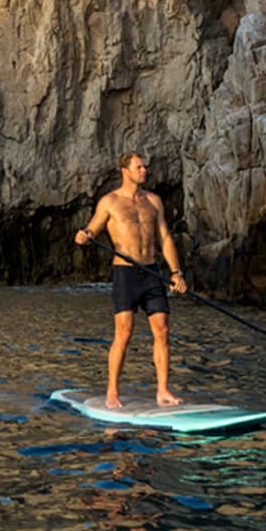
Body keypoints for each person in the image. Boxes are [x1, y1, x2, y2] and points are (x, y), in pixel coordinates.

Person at [74, 152, 188, 407]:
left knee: (163, 331)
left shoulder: (154, 201)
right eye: (139, 167)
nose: (144, 171)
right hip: (125, 274)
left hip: (151, 273)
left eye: (145, 167)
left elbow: (165, 238)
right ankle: (112, 392)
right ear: (125, 171)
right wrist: (84, 236)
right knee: (124, 333)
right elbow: (93, 228)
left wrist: (176, 272)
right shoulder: (110, 202)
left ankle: (163, 391)